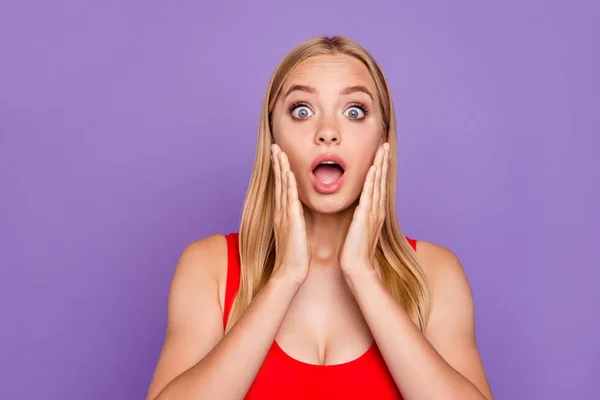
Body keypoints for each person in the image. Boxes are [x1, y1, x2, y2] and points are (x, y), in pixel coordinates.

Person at [145, 35, 494, 400]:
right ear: (272, 137)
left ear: (383, 139)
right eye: (302, 110)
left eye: (355, 111)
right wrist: (284, 278)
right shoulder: (210, 267)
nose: (327, 132)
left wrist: (363, 275)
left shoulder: (434, 274)